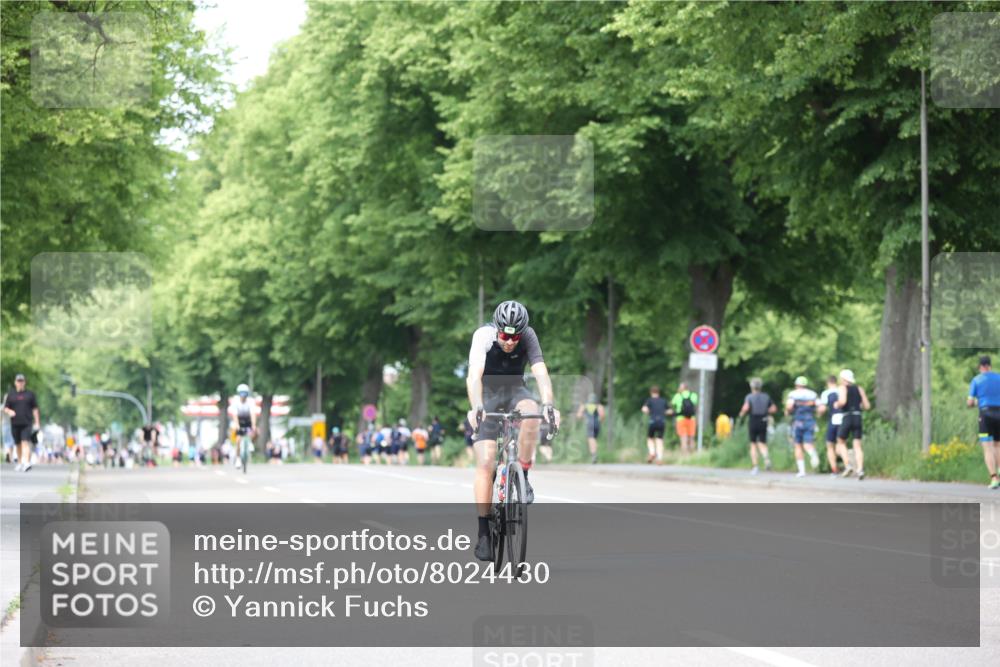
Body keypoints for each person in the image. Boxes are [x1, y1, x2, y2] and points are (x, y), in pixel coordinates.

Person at [466, 300, 560, 561]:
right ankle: (484, 532)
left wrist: (549, 404)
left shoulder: (528, 335)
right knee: (486, 463)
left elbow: (541, 372)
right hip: (487, 394)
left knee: (532, 411)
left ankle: (524, 474)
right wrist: (476, 406)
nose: (509, 342)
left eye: (514, 336)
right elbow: (474, 376)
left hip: (515, 391)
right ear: (497, 329)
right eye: (505, 336)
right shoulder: (483, 336)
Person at [968, 355, 1000, 490]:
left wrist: (978, 402)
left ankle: (994, 478)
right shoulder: (998, 378)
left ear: (980, 367)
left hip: (985, 414)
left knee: (987, 447)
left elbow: (970, 402)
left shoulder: (976, 380)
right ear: (990, 366)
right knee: (998, 445)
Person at [835, 369, 871, 480]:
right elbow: (867, 406)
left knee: (841, 442)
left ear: (843, 379)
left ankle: (848, 465)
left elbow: (843, 401)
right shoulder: (859, 389)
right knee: (857, 445)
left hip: (847, 416)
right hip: (858, 417)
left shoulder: (842, 388)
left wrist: (836, 404)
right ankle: (860, 469)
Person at [738, 377, 775, 474]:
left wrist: (741, 414)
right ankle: (766, 458)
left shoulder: (749, 397)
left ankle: (755, 466)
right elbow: (773, 409)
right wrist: (766, 411)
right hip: (764, 420)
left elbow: (746, 408)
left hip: (753, 420)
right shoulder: (766, 396)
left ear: (752, 387)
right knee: (762, 442)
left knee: (753, 444)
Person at [785, 376, 821, 477]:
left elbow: (789, 407)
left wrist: (788, 412)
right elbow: (821, 407)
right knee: (808, 443)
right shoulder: (812, 394)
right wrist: (818, 414)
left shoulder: (793, 394)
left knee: (798, 445)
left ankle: (802, 471)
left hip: (798, 421)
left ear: (796, 385)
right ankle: (813, 454)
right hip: (810, 420)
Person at [4, 374, 40, 472]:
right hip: (15, 423)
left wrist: (37, 422)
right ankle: (20, 462)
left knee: (25, 442)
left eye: (22, 381)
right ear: (15, 382)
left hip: (27, 423)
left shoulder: (30, 394)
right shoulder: (11, 395)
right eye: (18, 381)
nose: (20, 383)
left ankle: (27, 462)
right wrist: (9, 411)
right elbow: (5, 408)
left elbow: (35, 409)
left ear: (24, 382)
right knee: (18, 444)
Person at [817, 375, 844, 475]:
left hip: (833, 419)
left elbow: (822, 408)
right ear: (836, 382)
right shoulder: (841, 391)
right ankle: (846, 463)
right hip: (844, 418)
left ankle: (834, 469)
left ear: (827, 383)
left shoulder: (826, 393)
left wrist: (818, 414)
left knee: (830, 445)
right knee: (841, 443)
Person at [230, 384, 256, 468]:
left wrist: (254, 425)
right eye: (241, 394)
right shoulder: (235, 401)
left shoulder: (251, 401)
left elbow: (253, 414)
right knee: (238, 440)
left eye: (245, 394)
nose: (243, 397)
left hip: (248, 419)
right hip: (239, 420)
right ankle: (238, 458)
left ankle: (250, 442)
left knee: (255, 431)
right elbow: (234, 415)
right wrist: (237, 425)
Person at [669, 382, 699, 455]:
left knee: (683, 437)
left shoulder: (677, 395)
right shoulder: (693, 395)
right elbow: (695, 403)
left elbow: (672, 404)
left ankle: (685, 455)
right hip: (691, 419)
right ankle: (692, 455)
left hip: (681, 419)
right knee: (691, 437)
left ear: (681, 388)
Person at [641, 386, 668, 464]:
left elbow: (644, 409)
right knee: (659, 439)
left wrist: (649, 412)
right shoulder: (663, 401)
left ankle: (652, 452)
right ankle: (659, 458)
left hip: (652, 421)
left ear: (651, 392)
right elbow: (669, 410)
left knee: (650, 438)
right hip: (662, 422)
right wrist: (663, 413)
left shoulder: (649, 400)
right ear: (658, 392)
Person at [576, 393, 605, 464]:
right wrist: (600, 421)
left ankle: (594, 454)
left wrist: (584, 417)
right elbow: (602, 415)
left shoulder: (585, 406)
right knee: (594, 438)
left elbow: (578, 415)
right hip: (597, 423)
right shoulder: (599, 406)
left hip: (589, 424)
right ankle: (594, 453)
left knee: (591, 439)